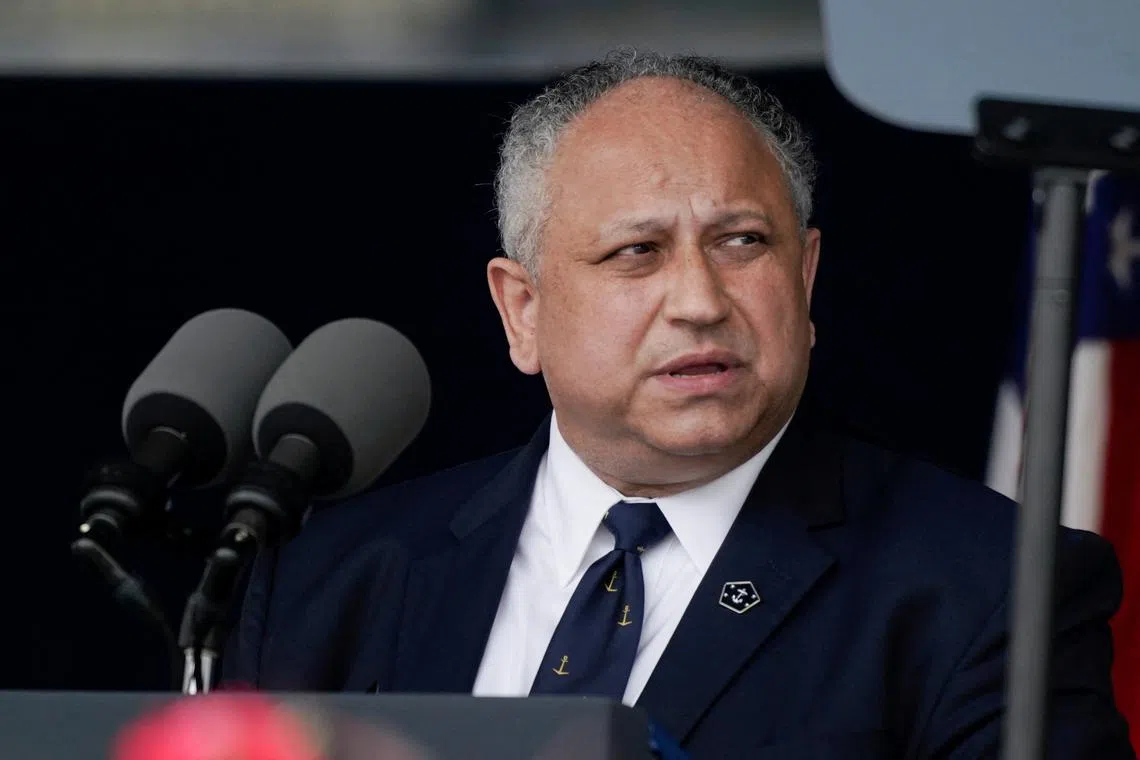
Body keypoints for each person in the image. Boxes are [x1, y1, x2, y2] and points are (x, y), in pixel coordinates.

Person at [223, 49, 1135, 757]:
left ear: (805, 278)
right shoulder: (324, 585)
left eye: (742, 241)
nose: (700, 300)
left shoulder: (987, 591)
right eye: (637, 253)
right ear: (522, 309)